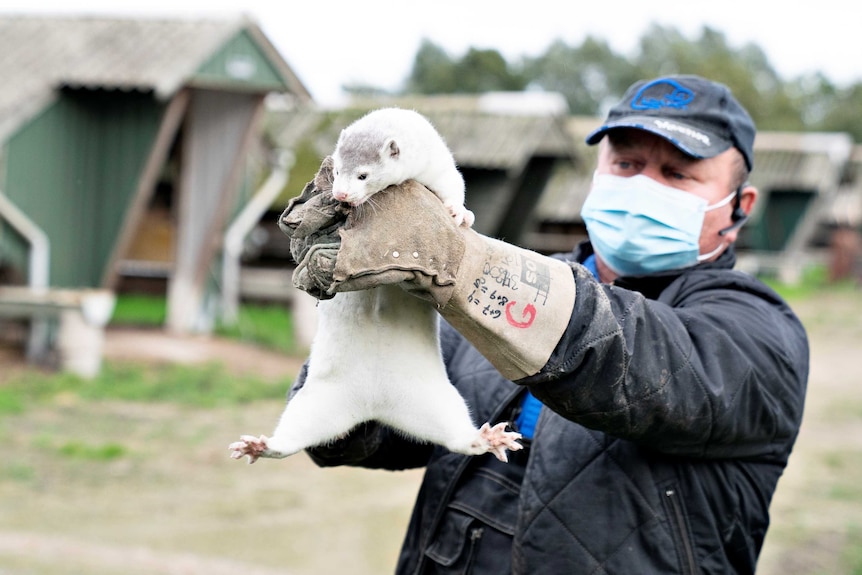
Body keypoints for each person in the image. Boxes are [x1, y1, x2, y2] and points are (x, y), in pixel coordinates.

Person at [283, 75, 809, 574]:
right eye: (626, 163)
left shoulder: (760, 333)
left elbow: (635, 356)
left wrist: (461, 264)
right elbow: (385, 431)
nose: (643, 185)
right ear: (598, 172)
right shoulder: (501, 289)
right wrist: (356, 329)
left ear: (741, 206)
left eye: (676, 174)